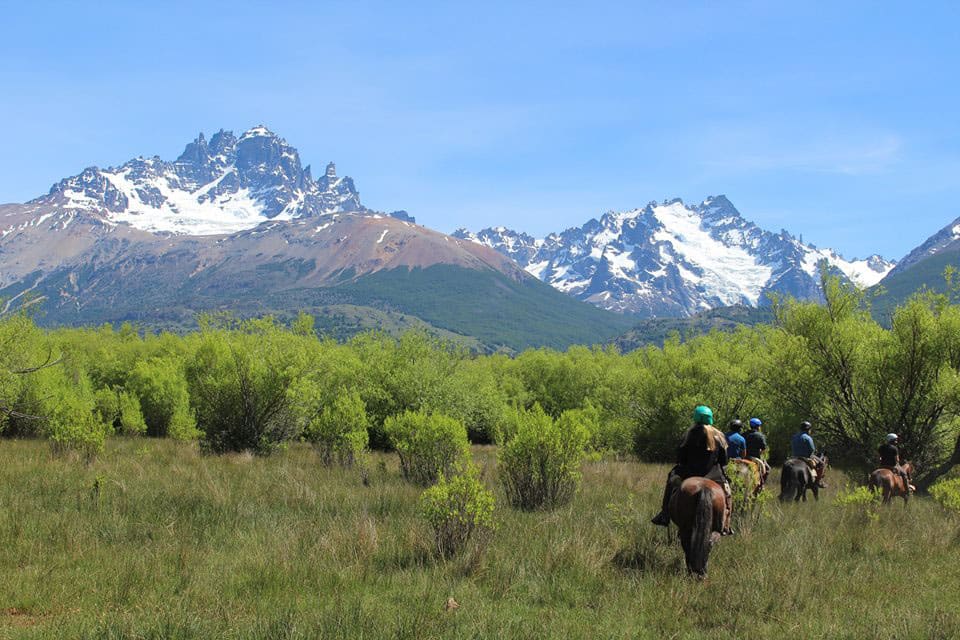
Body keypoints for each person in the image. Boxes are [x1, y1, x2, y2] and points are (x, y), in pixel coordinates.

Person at [651, 405, 734, 535]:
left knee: (671, 478)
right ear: (710, 419)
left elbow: (680, 458)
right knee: (727, 491)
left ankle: (664, 514)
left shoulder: (688, 435)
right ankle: (726, 524)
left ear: (695, 418)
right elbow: (724, 461)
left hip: (689, 473)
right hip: (713, 474)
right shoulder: (719, 436)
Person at [790, 421, 825, 487]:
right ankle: (818, 481)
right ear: (808, 429)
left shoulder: (794, 436)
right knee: (822, 463)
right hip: (806, 457)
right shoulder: (808, 438)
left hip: (794, 457)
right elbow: (812, 449)